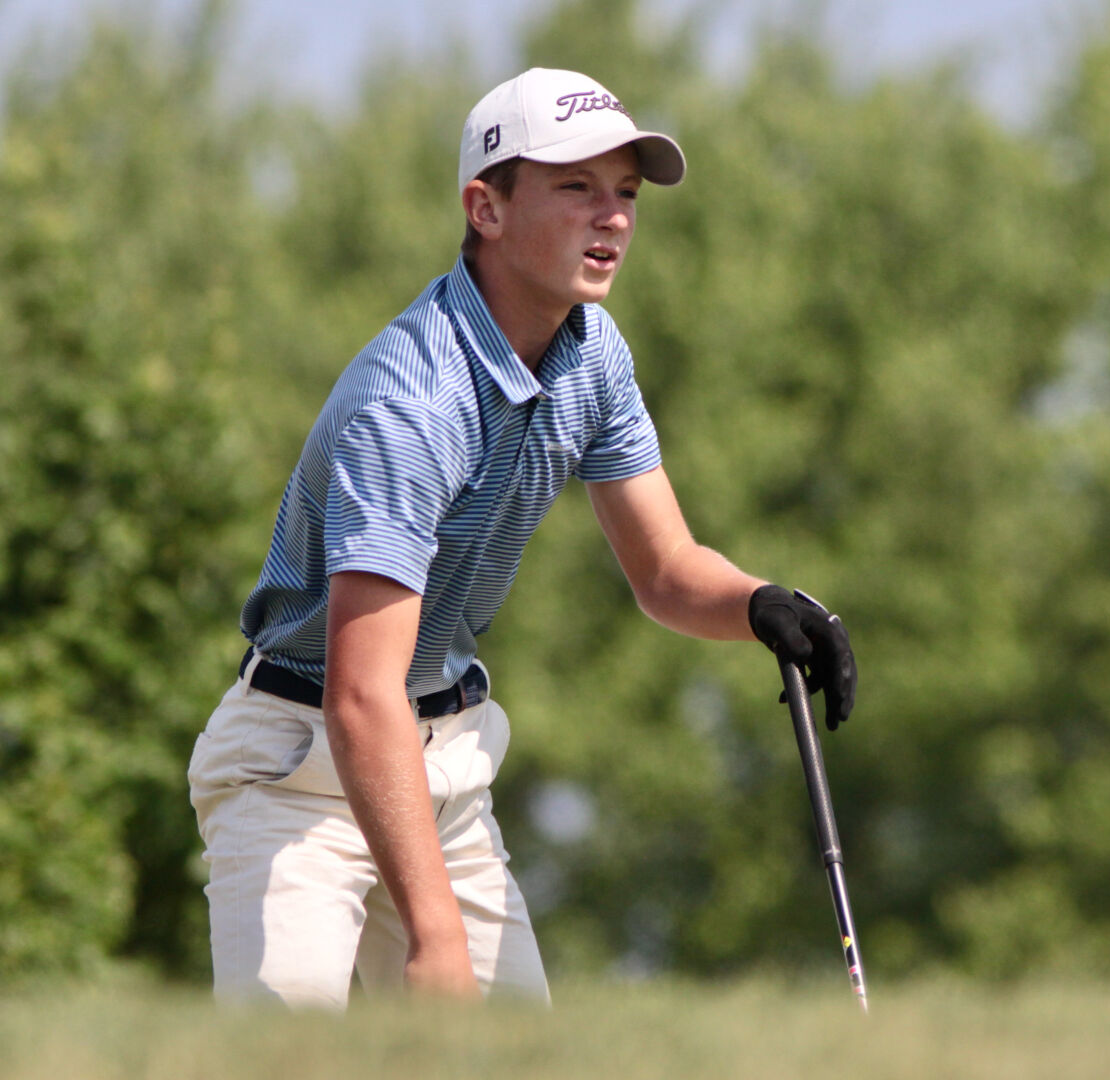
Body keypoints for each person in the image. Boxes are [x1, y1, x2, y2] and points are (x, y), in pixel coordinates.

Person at [186, 67, 856, 1009]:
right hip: (295, 776)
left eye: (625, 192)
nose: (614, 217)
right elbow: (361, 694)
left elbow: (665, 571)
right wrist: (436, 935)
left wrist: (759, 604)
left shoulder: (595, 352)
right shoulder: (410, 404)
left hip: (444, 764)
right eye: (576, 187)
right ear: (485, 208)